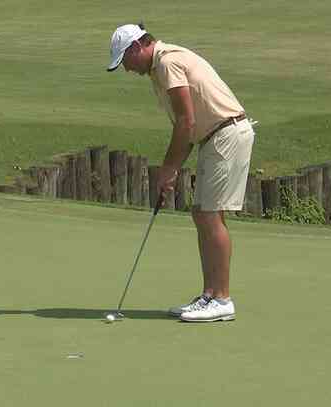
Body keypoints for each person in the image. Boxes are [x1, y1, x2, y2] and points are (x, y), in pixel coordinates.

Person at [107, 23, 255, 322]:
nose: (126, 69)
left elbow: (185, 122)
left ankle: (222, 299)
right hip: (215, 137)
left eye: (125, 60)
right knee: (203, 213)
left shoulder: (166, 62)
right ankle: (209, 295)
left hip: (225, 134)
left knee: (209, 214)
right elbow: (187, 129)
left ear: (137, 47)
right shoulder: (160, 67)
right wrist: (172, 171)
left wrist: (168, 169)